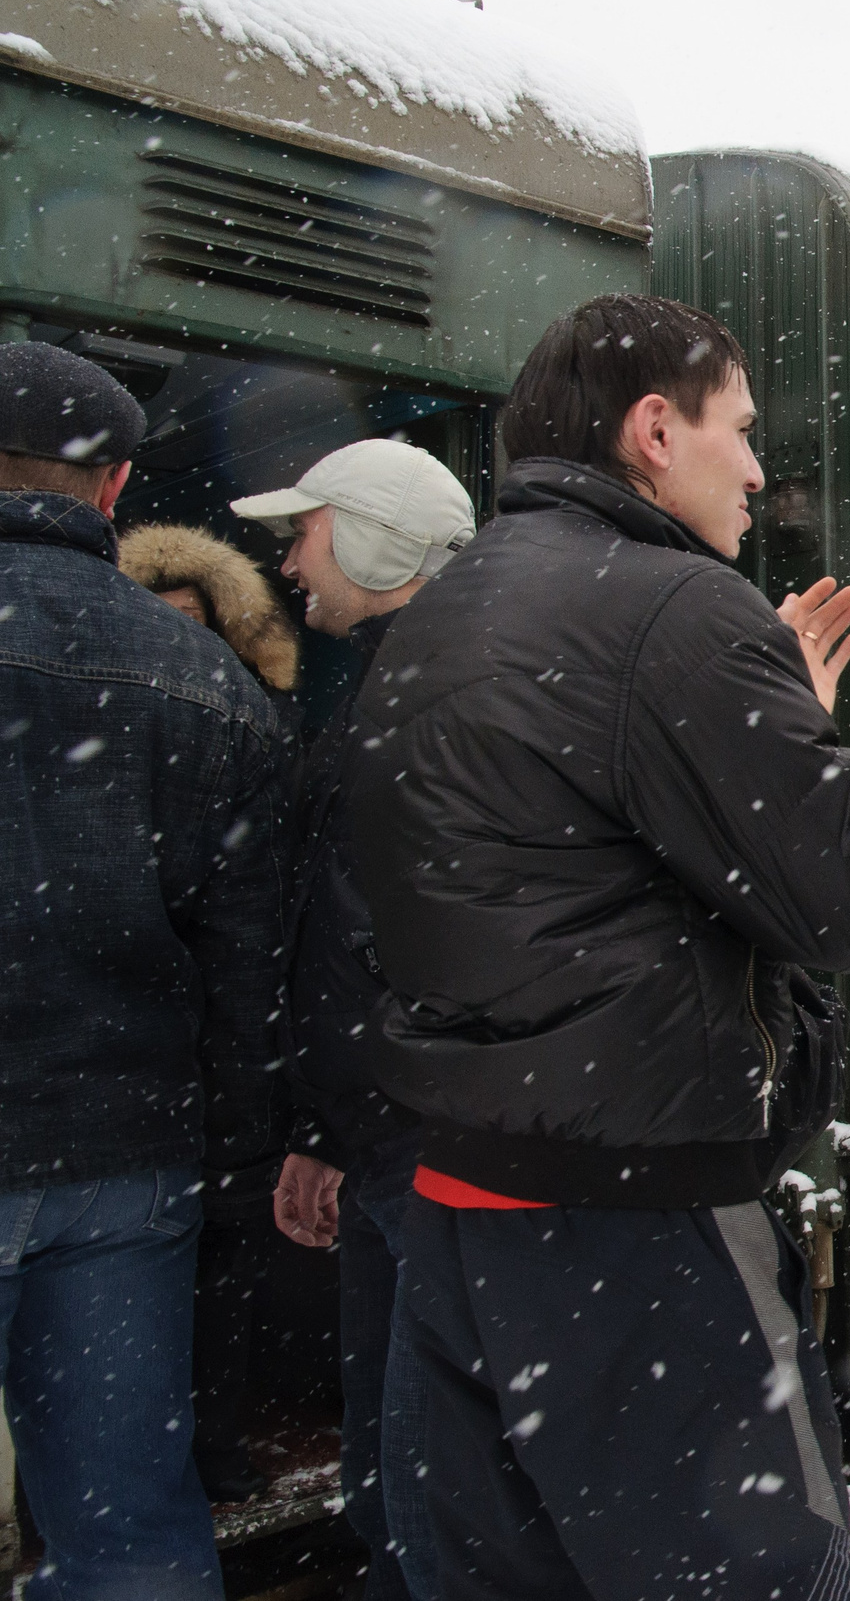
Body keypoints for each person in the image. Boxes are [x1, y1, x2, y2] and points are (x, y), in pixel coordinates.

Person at [346, 295, 850, 1600]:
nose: (756, 467)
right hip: (636, 1241)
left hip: (455, 1225)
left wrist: (765, 733)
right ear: (651, 429)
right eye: (738, 431)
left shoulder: (440, 620)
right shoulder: (674, 611)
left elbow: (565, 871)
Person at [0, 341, 285, 1598]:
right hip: (127, 1162)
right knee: (128, 1528)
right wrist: (240, 1154)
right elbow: (248, 955)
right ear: (115, 488)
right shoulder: (203, 674)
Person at [230, 438, 478, 1599]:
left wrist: (350, 1119)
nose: (288, 561)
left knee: (424, 1481)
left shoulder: (428, 689)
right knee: (404, 1473)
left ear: (380, 537)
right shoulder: (404, 679)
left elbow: (380, 940)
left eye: (308, 531)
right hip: (396, 1139)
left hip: (423, 1147)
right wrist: (327, 1127)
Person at [114, 521, 304, 1503]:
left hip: (227, 1050)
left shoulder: (256, 730)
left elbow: (263, 913)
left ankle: (214, 1452)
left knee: (223, 1266)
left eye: (192, 626)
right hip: (142, 1061)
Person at [115, 523, 300, 694]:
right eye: (158, 616)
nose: (173, 631)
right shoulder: (117, 693)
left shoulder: (254, 706)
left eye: (188, 617)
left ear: (214, 623)